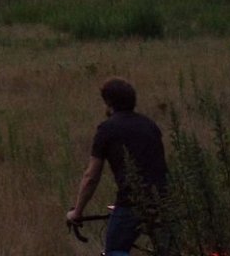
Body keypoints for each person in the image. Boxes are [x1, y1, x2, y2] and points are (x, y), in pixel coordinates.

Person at [66, 77, 169, 256]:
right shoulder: (149, 125)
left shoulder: (107, 129)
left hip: (131, 202)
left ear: (109, 103)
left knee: (115, 250)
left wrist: (77, 212)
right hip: (163, 201)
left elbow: (91, 177)